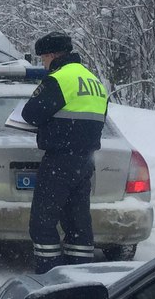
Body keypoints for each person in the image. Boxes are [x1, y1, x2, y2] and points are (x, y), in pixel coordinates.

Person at [21, 31, 108, 274]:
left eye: (43, 59)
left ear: (50, 55)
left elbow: (30, 114)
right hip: (85, 161)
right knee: (78, 223)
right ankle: (77, 276)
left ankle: (50, 276)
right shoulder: (93, 81)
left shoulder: (59, 79)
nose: (43, 64)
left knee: (43, 222)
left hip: (59, 159)